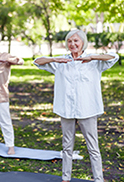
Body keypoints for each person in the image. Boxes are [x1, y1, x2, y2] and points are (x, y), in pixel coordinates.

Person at [33, 29, 118, 182]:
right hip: (66, 109)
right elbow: (37, 61)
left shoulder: (95, 62)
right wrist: (54, 60)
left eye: (76, 41)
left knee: (93, 147)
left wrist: (92, 57)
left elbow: (114, 57)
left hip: (88, 109)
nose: (72, 44)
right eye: (70, 41)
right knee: (67, 146)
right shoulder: (61, 62)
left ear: (83, 42)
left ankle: (98, 179)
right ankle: (66, 178)